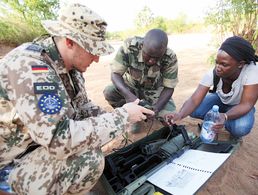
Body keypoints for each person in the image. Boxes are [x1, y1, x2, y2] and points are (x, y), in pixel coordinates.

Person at [0, 3, 154, 195]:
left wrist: (123, 114)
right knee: (88, 157)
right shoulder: (31, 69)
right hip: (9, 161)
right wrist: (122, 117)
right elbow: (60, 141)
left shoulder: (69, 67)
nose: (97, 58)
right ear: (69, 42)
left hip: (34, 145)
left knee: (95, 136)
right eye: (92, 49)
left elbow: (82, 108)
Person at [165, 36, 258, 139]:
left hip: (240, 105)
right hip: (220, 101)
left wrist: (225, 116)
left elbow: (246, 104)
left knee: (240, 127)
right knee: (195, 110)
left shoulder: (252, 72)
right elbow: (194, 100)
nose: (218, 67)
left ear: (240, 64)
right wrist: (180, 115)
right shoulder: (213, 73)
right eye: (217, 62)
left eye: (224, 64)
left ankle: (228, 124)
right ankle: (217, 119)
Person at [103, 29, 178, 132]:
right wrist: (128, 96)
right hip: (130, 88)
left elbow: (169, 87)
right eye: (149, 55)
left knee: (169, 118)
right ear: (142, 46)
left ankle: (148, 113)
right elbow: (115, 74)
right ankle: (131, 116)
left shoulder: (170, 57)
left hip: (154, 91)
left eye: (156, 58)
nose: (152, 61)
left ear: (164, 51)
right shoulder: (130, 47)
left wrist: (156, 109)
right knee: (109, 92)